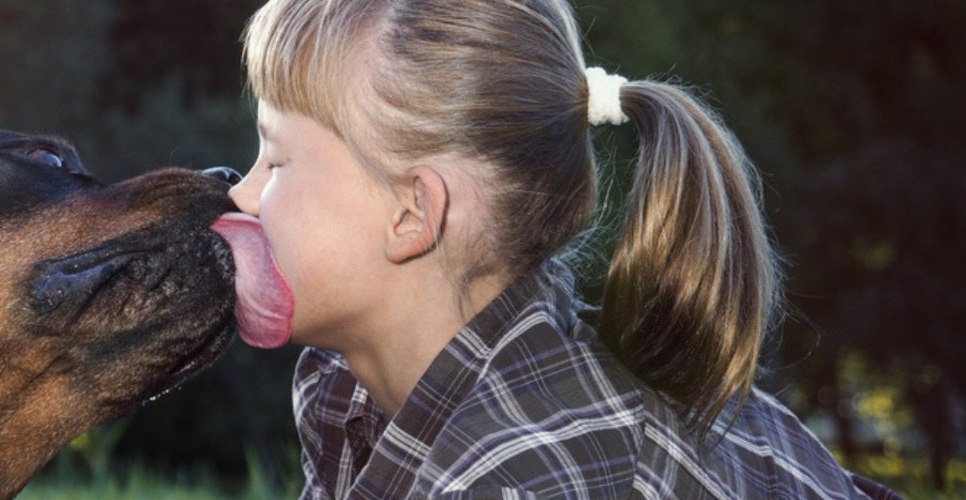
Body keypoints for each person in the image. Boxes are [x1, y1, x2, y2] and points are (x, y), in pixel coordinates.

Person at [221, 0, 902, 497]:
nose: (241, 197)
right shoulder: (347, 390)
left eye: (276, 161)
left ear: (412, 213)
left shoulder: (526, 479)